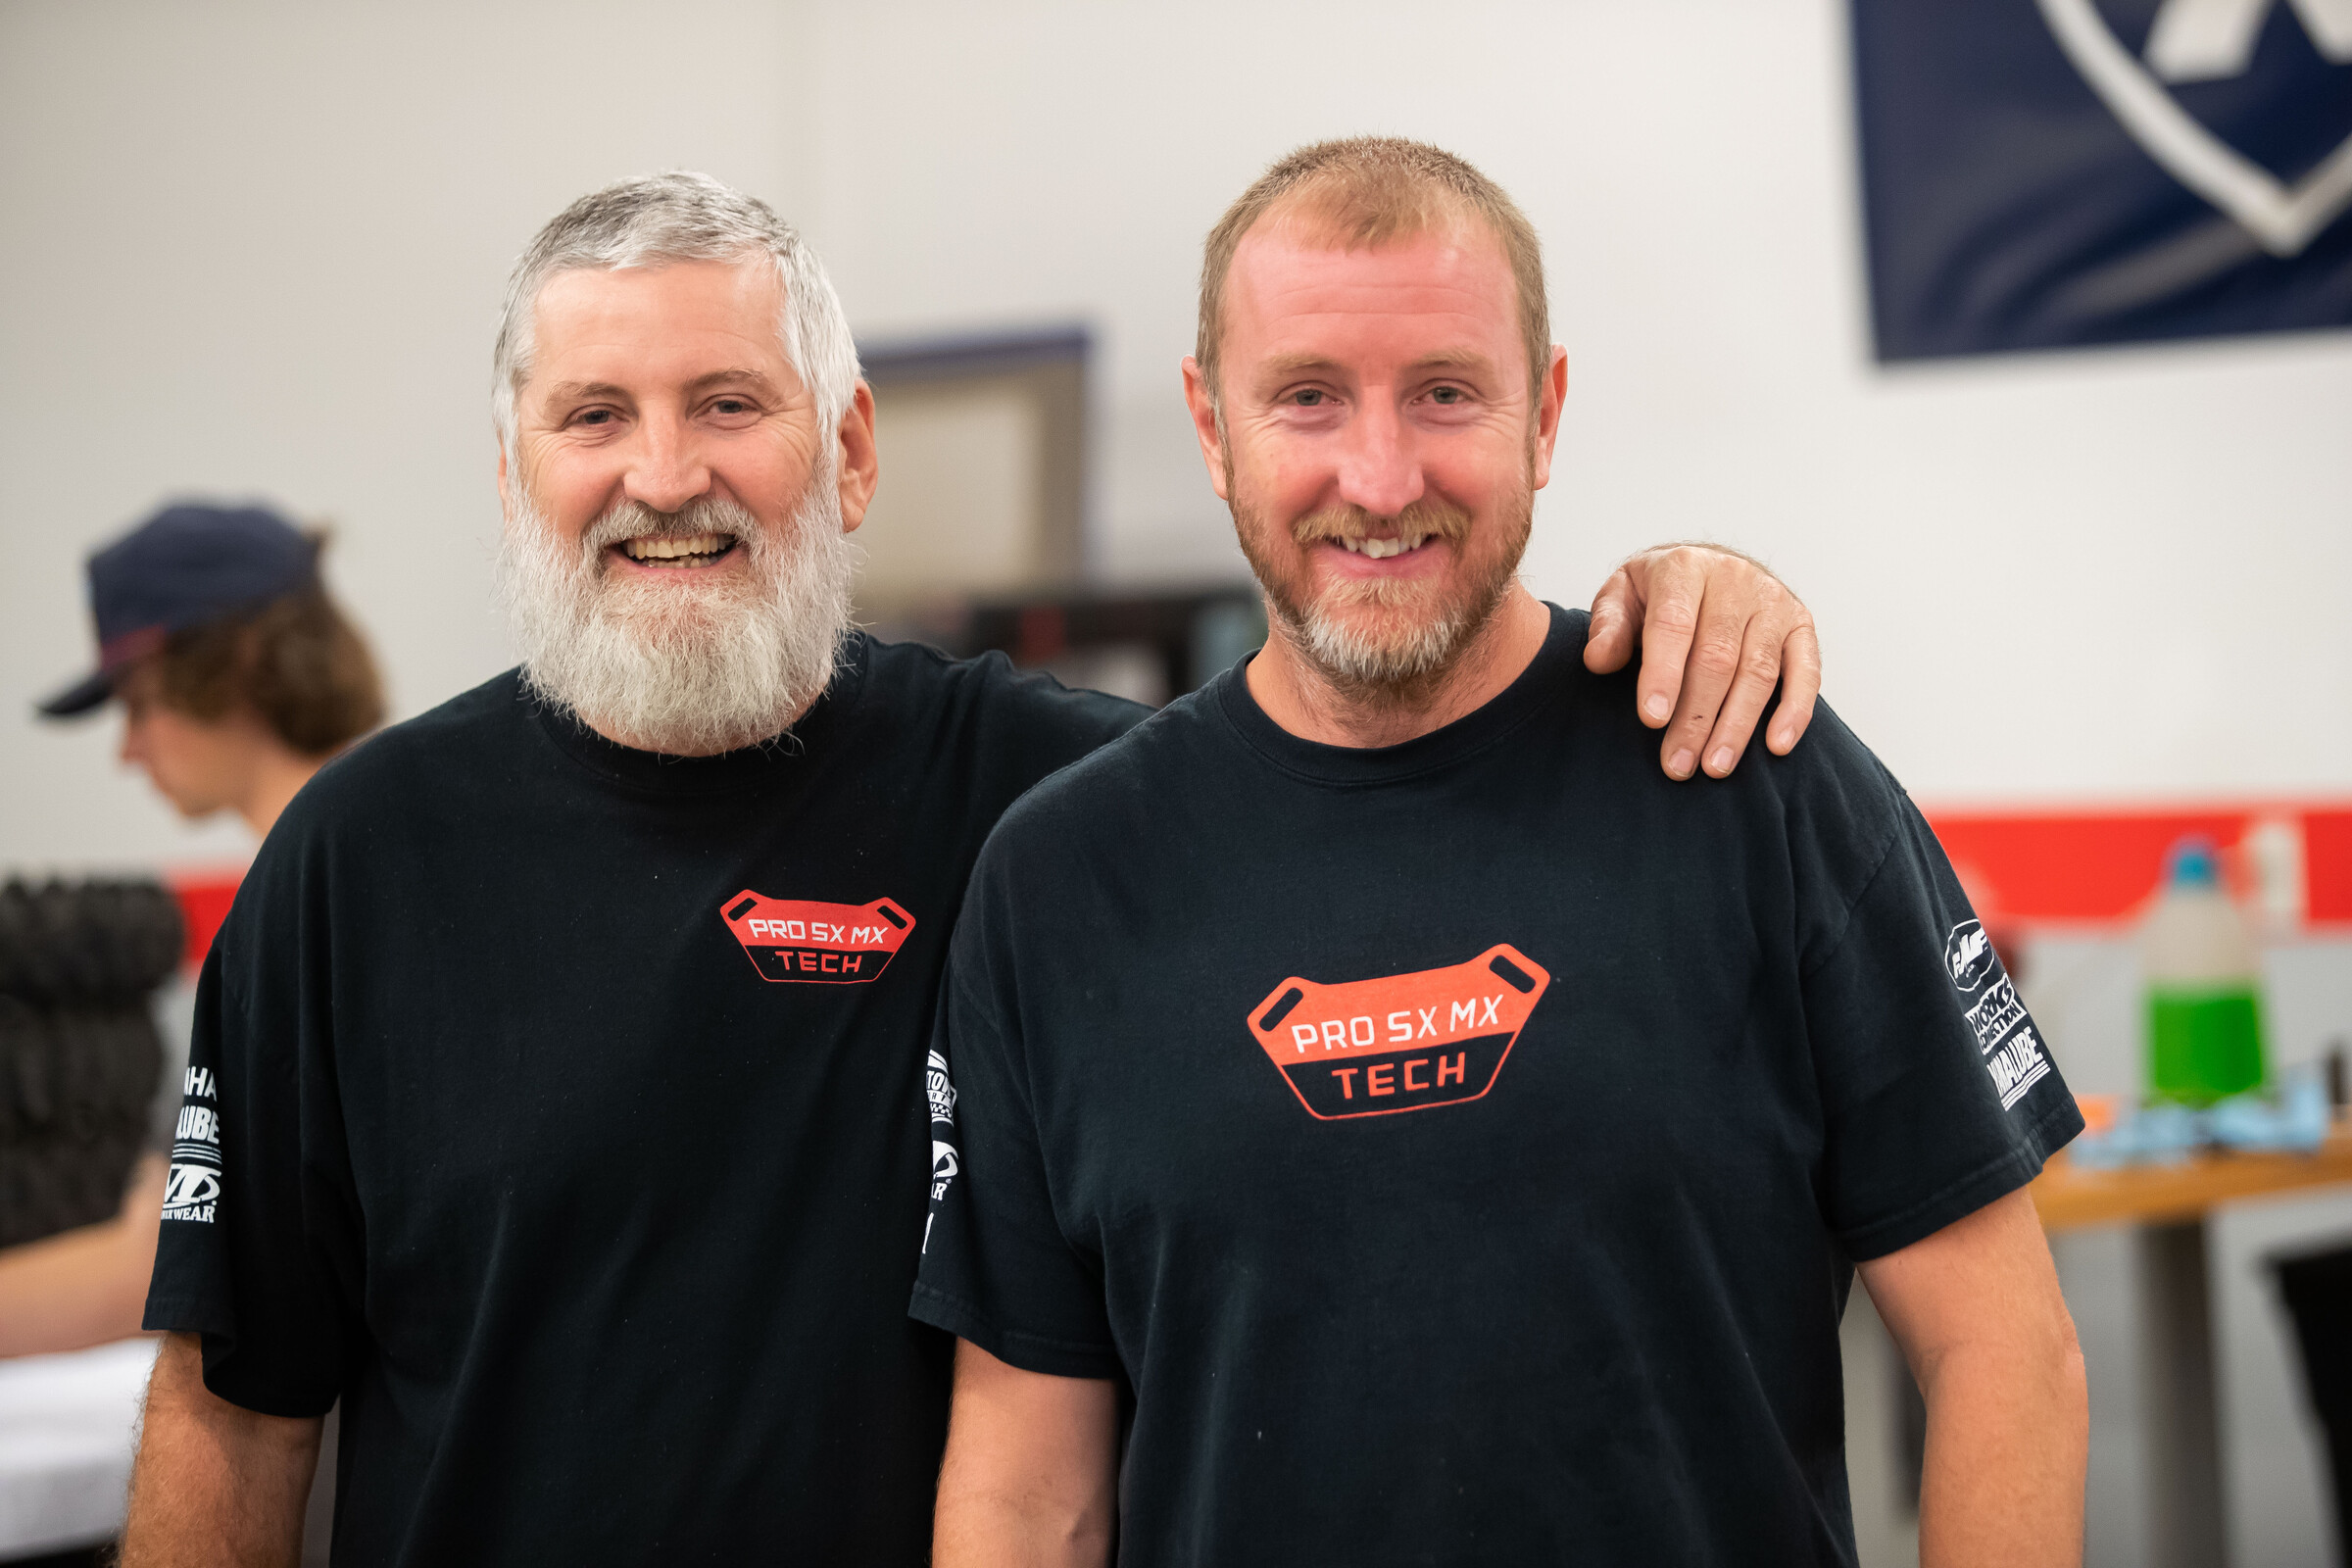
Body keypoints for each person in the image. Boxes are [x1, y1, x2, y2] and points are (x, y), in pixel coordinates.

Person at [121, 172, 1823, 1566]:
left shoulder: (1069, 811)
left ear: (850, 452)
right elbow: (233, 1406)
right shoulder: (355, 868)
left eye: (730, 404)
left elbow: (1384, 729)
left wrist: (1686, 593)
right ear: (516, 476)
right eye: (593, 417)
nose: (663, 476)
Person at [915, 138, 2089, 1567]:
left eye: (1446, 394)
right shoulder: (1057, 884)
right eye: (1307, 398)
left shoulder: (1748, 775)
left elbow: (2005, 1360)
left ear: (1546, 412)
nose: (1381, 472)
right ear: (1211, 427)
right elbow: (1030, 1492)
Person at [1, 505, 382, 1361]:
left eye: (138, 702)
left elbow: (166, 1263)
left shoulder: (330, 902)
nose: (126, 750)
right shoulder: (352, 866)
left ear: (239, 661)